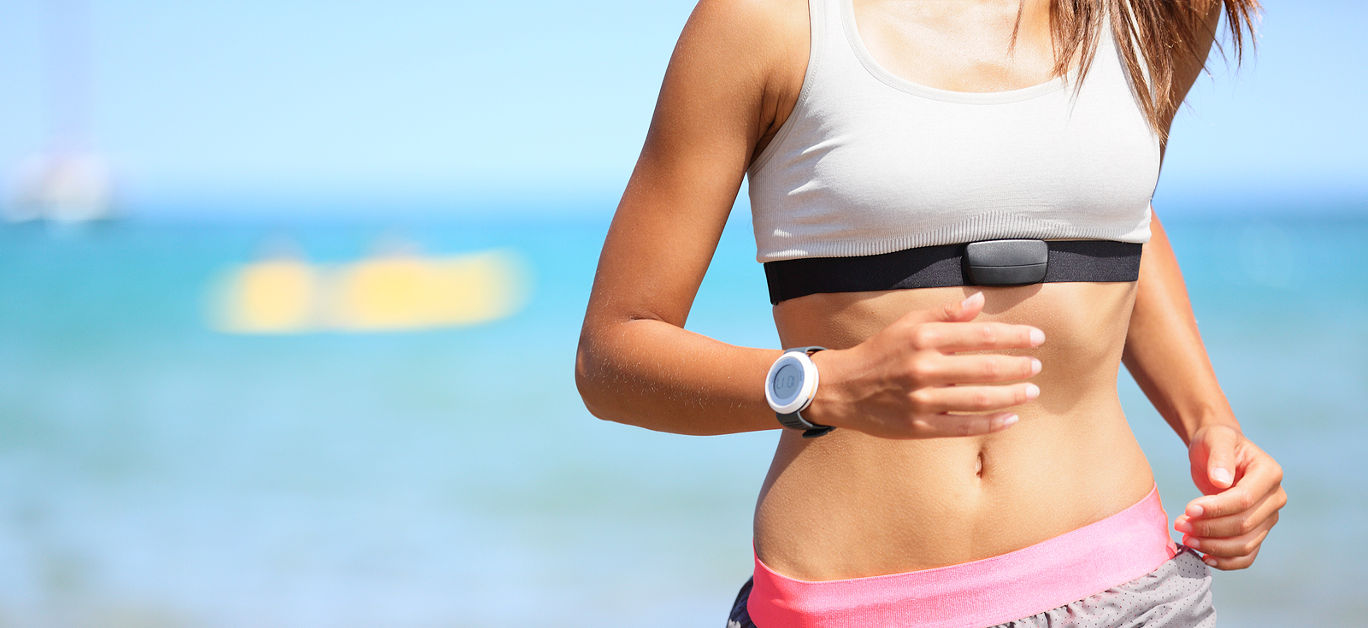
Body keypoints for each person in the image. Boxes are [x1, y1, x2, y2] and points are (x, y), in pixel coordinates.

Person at [574, 0, 1286, 625]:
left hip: (1125, 591)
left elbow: (1115, 214)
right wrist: (832, 386)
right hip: (853, 607)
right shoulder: (765, 21)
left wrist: (1209, 423)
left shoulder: (1155, 14)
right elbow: (612, 356)